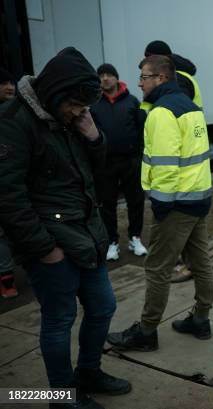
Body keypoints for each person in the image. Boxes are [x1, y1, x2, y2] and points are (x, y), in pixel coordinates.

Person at [0, 47, 131, 408]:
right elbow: (8, 197)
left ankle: (88, 372)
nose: (79, 112)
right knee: (59, 320)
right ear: (55, 93)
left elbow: (96, 172)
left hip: (85, 234)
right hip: (51, 244)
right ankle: (62, 396)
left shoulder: (74, 118)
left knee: (103, 306)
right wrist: (44, 249)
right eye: (74, 105)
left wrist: (95, 138)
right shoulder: (14, 121)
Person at [107, 55, 213, 351]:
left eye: (144, 76)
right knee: (200, 262)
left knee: (156, 268)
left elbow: (167, 166)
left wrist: (161, 205)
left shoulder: (161, 113)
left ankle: (146, 331)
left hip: (176, 205)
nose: (140, 82)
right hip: (199, 199)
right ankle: (201, 318)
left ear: (161, 79)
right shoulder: (191, 108)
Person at [142, 40, 203, 283]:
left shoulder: (177, 87)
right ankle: (201, 311)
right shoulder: (183, 77)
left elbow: (169, 157)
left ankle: (149, 321)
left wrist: (162, 203)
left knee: (162, 258)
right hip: (194, 181)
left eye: (148, 62)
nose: (141, 81)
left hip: (182, 183)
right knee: (197, 247)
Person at [91, 63, 147, 261]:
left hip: (130, 161)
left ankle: (135, 238)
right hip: (105, 163)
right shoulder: (95, 104)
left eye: (108, 75)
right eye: (101, 75)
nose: (105, 78)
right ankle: (112, 242)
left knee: (136, 201)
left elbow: (142, 131)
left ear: (116, 78)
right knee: (107, 204)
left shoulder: (131, 102)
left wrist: (139, 156)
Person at [0, 67, 18, 298]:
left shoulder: (17, 113)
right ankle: (6, 279)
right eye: (3, 83)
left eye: (11, 82)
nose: (9, 87)